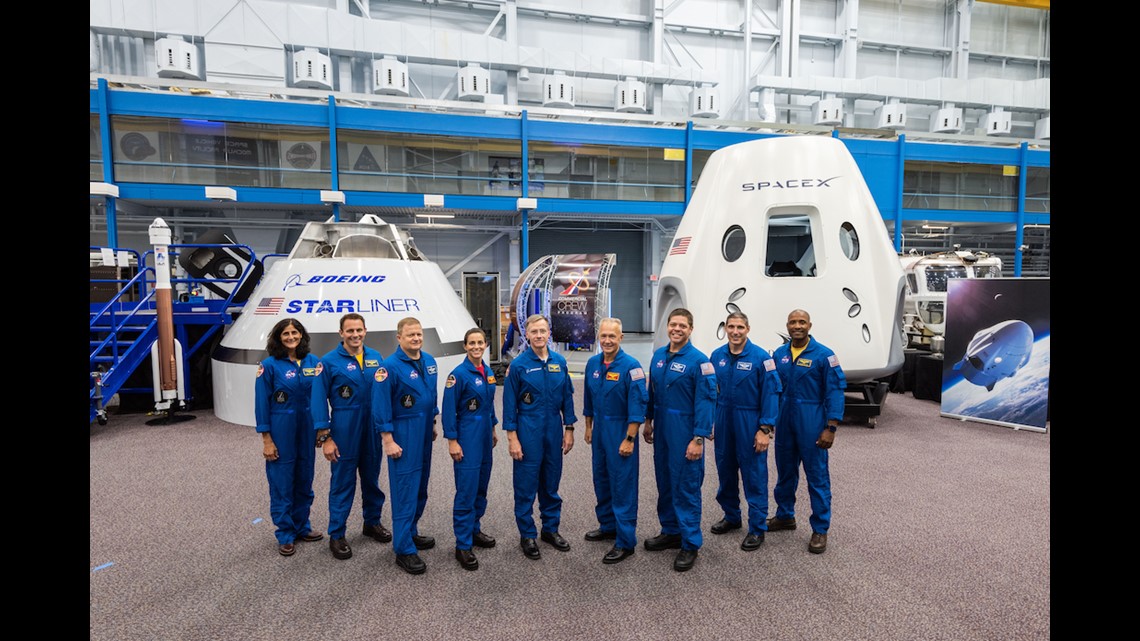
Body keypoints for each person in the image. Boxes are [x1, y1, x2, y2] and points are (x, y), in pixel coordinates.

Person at [311, 313, 391, 561]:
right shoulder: (329, 362)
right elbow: (317, 400)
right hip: (344, 429)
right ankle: (337, 534)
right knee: (342, 483)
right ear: (341, 333)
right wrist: (326, 437)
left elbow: (383, 393)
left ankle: (372, 522)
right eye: (350, 331)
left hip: (371, 429)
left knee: (372, 479)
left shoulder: (376, 358)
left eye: (359, 330)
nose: (355, 335)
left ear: (365, 331)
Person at [643, 308, 717, 572]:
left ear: (690, 329)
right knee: (665, 481)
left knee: (686, 485)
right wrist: (649, 420)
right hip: (662, 428)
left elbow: (707, 401)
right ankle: (671, 531)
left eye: (682, 326)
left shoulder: (700, 361)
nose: (676, 329)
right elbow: (652, 391)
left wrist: (699, 437)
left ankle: (690, 542)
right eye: (673, 324)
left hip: (685, 430)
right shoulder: (659, 356)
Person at [768, 309, 847, 555]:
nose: (797, 326)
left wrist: (831, 427)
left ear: (809, 325)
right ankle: (785, 515)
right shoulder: (779, 354)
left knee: (817, 477)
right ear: (787, 325)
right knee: (785, 473)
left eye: (802, 322)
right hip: (785, 423)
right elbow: (772, 390)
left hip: (812, 421)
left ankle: (820, 529)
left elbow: (835, 391)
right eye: (793, 322)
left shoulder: (824, 355)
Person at [502, 314, 578, 560]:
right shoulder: (519, 366)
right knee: (525, 485)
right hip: (528, 429)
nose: (538, 335)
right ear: (527, 334)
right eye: (533, 331)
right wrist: (512, 438)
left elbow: (567, 397)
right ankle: (527, 534)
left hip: (553, 428)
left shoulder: (559, 362)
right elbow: (508, 405)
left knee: (551, 482)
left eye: (542, 331)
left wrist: (569, 429)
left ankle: (550, 529)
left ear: (549, 333)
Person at [709, 311, 782, 552]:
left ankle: (757, 527)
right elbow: (710, 392)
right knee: (725, 470)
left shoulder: (762, 358)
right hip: (723, 420)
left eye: (740, 327)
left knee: (754, 475)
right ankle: (731, 516)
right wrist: (710, 420)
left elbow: (771, 394)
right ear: (726, 328)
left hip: (749, 420)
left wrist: (764, 429)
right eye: (731, 327)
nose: (735, 331)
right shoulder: (716, 356)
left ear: (747, 329)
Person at [372, 317, 440, 575]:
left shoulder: (430, 362)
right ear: (399, 337)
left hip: (423, 429)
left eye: (419, 334)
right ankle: (403, 549)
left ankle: (410, 531)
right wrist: (387, 439)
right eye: (410, 335)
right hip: (402, 431)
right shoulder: (387, 368)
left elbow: (431, 396)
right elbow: (381, 406)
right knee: (405, 489)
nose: (416, 339)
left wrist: (433, 422)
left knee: (420, 486)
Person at [254, 318, 324, 556]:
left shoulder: (313, 362)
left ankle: (302, 526)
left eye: (295, 333)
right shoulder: (269, 366)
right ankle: (285, 533)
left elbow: (319, 398)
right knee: (282, 482)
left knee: (305, 478)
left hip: (307, 427)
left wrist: (320, 429)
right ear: (278, 337)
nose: (291, 337)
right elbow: (261, 403)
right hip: (280, 427)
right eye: (286, 333)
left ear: (302, 335)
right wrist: (266, 439)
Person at [582, 317, 648, 565]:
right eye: (603, 336)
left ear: (621, 338)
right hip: (600, 430)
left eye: (612, 336)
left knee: (623, 485)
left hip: (621, 430)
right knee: (602, 479)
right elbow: (588, 399)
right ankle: (608, 525)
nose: (607, 340)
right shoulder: (593, 364)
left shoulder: (632, 367)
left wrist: (630, 438)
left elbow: (638, 407)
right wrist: (589, 427)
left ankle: (625, 541)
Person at [441, 328, 500, 571]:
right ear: (465, 346)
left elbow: (488, 405)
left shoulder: (487, 371)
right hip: (467, 436)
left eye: (480, 343)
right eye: (471, 343)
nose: (476, 346)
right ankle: (462, 545)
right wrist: (452, 440)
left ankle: (474, 530)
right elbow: (448, 411)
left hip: (485, 435)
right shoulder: (458, 375)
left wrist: (494, 428)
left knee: (481, 487)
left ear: (486, 345)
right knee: (466, 490)